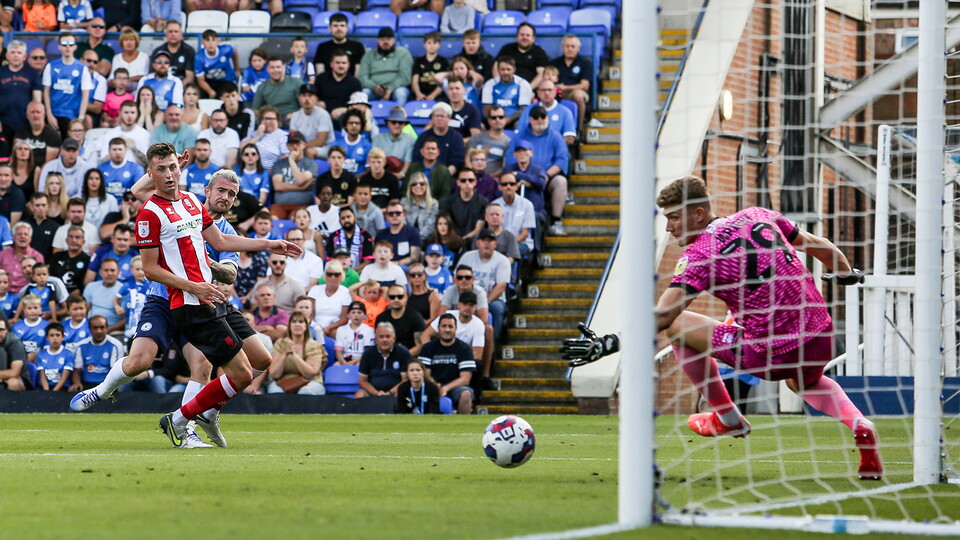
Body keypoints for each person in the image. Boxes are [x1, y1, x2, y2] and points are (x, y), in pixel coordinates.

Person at [560, 175, 883, 481]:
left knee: (678, 327)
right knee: (805, 384)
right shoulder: (759, 214)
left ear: (699, 214)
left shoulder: (700, 254)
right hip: (820, 335)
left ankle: (728, 418)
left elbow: (662, 316)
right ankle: (859, 423)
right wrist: (845, 273)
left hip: (771, 353)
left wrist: (611, 343)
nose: (669, 228)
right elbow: (818, 244)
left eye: (674, 217)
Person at [506, 112, 569, 236]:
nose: (539, 120)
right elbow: (510, 158)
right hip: (519, 177)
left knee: (561, 181)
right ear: (530, 119)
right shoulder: (520, 135)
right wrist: (522, 175)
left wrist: (546, 176)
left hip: (546, 176)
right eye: (536, 117)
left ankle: (556, 222)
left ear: (547, 118)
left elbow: (562, 160)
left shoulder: (555, 136)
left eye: (543, 117)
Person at [458, 229, 510, 340]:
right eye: (483, 240)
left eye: (490, 241)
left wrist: (483, 303)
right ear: (477, 243)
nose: (487, 243)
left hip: (492, 299)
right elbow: (456, 279)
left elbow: (501, 286)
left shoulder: (503, 260)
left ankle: (493, 343)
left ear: (495, 244)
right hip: (467, 297)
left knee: (497, 308)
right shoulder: (467, 257)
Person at [418, 312, 475, 414]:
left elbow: (466, 379)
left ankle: (462, 425)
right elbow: (424, 374)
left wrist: (445, 388)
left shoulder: (464, 348)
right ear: (438, 328)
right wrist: (436, 387)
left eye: (450, 326)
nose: (447, 330)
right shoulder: (428, 348)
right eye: (444, 326)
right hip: (432, 386)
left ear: (455, 329)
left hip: (455, 388)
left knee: (466, 394)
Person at [42, 33, 92, 139]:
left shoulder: (82, 68)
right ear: (59, 47)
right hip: (54, 113)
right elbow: (46, 91)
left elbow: (85, 95)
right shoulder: (51, 66)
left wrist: (80, 118)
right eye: (64, 44)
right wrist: (49, 114)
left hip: (73, 115)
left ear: (75, 46)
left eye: (70, 44)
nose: (67, 46)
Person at [266, 311, 326, 395]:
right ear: (289, 326)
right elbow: (274, 374)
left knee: (305, 392)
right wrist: (285, 353)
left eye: (301, 322)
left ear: (306, 326)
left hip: (310, 382)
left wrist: (293, 354)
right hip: (284, 382)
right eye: (294, 322)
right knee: (275, 392)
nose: (297, 324)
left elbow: (310, 374)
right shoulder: (280, 343)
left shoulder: (314, 345)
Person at [421, 289, 484, 367]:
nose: (468, 307)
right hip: (440, 355)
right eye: (465, 304)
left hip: (463, 358)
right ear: (459, 305)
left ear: (475, 307)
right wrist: (430, 353)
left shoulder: (478, 324)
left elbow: (477, 356)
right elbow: (425, 335)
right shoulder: (447, 316)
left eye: (471, 305)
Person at [0, 41, 42, 147]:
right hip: (4, 121)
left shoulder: (32, 73)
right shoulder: (1, 72)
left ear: (24, 56)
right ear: (7, 56)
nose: (15, 55)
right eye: (12, 52)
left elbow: (37, 100)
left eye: (19, 53)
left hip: (25, 121)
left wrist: (36, 119)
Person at [358, 27, 413, 106]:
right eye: (382, 39)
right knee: (364, 93)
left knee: (400, 93)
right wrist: (374, 87)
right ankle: (365, 117)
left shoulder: (403, 53)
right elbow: (362, 77)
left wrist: (390, 89)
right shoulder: (369, 55)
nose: (386, 42)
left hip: (396, 88)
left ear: (394, 40)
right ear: (377, 41)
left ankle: (400, 117)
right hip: (373, 89)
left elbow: (405, 77)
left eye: (389, 39)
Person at [269, 132, 317, 218]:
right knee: (273, 219)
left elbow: (300, 180)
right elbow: (278, 186)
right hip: (280, 206)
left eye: (297, 143)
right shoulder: (279, 164)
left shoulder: (310, 164)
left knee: (296, 219)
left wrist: (291, 161)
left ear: (303, 145)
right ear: (287, 146)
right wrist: (301, 188)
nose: (294, 146)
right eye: (291, 144)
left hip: (301, 206)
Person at [355, 321, 409, 398]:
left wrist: (389, 393)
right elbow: (362, 381)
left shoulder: (403, 352)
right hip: (373, 392)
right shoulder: (368, 353)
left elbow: (405, 380)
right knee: (359, 395)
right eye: (381, 337)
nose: (385, 340)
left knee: (402, 394)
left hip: (395, 392)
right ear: (376, 339)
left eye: (388, 336)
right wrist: (376, 393)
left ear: (393, 339)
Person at [69, 314, 124, 389]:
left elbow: (115, 373)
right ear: (89, 329)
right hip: (87, 384)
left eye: (102, 327)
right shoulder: (81, 346)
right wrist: (77, 383)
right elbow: (77, 371)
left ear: (107, 328)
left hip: (108, 385)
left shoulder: (116, 345)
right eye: (95, 328)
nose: (99, 331)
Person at [518, 80, 577, 146]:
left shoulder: (565, 111)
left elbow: (570, 138)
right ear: (538, 92)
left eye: (549, 90)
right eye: (543, 90)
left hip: (556, 149)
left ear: (555, 92)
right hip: (531, 149)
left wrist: (552, 146)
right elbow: (520, 133)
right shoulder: (528, 110)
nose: (546, 93)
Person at [413, 103, 466, 177]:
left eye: (442, 116)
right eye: (437, 116)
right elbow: (416, 159)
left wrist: (443, 176)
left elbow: (457, 162)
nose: (439, 119)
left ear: (449, 118)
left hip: (448, 176)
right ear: (432, 118)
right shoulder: (423, 137)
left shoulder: (456, 137)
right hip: (425, 176)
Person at [492, 172, 535, 260]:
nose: (508, 186)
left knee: (513, 251)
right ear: (500, 187)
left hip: (522, 243)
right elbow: (493, 230)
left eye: (512, 184)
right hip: (500, 244)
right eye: (505, 184)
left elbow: (524, 234)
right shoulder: (494, 205)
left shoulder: (527, 205)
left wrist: (509, 244)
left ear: (516, 186)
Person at [482, 56, 532, 129]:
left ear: (514, 70)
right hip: (495, 118)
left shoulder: (523, 84)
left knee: (519, 124)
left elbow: (523, 109)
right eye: (503, 69)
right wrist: (494, 120)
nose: (506, 72)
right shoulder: (490, 84)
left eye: (508, 69)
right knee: (481, 126)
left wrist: (508, 120)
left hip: (514, 119)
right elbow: (486, 108)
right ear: (498, 70)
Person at [375, 283, 425, 355]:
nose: (396, 300)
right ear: (388, 298)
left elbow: (420, 345)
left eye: (400, 297)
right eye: (392, 297)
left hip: (408, 357)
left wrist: (402, 356)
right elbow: (378, 342)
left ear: (406, 298)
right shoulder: (381, 318)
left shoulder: (415, 317)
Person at [306, 259, 351, 338]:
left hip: (335, 328)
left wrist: (328, 328)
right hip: (315, 326)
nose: (333, 277)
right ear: (325, 275)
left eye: (336, 274)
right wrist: (318, 328)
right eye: (329, 274)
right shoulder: (315, 290)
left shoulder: (346, 292)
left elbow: (344, 319)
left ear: (341, 276)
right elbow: (310, 314)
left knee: (338, 334)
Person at [440, 168, 488, 240]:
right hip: (452, 240)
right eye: (463, 180)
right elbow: (444, 224)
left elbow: (478, 229)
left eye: (470, 180)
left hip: (474, 241)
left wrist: (462, 240)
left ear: (475, 182)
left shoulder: (483, 202)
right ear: (458, 183)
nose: (467, 183)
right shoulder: (449, 201)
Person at [496, 23, 548, 89]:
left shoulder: (539, 52)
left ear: (533, 38)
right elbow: (496, 66)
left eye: (528, 35)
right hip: (506, 88)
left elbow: (541, 75)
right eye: (522, 35)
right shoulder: (507, 49)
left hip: (530, 90)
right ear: (517, 36)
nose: (524, 37)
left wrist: (527, 89)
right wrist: (499, 85)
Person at [316, 50, 362, 123]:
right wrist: (317, 102)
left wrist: (343, 110)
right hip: (322, 115)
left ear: (348, 65)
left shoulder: (355, 82)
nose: (341, 66)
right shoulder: (321, 79)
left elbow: (359, 106)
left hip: (345, 117)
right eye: (337, 63)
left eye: (344, 63)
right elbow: (312, 97)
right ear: (331, 64)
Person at [290, 84, 335, 160]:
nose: (307, 99)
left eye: (310, 95)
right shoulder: (295, 116)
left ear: (316, 99)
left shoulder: (323, 114)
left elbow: (320, 141)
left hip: (326, 148)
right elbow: (293, 137)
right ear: (299, 98)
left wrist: (302, 147)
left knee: (309, 151)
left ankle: (310, 171)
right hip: (303, 147)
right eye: (304, 95)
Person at [312, 12, 365, 76]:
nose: (339, 29)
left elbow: (358, 74)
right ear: (330, 28)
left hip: (351, 84)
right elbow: (320, 73)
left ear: (347, 28)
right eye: (335, 26)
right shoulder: (322, 47)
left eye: (342, 25)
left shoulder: (358, 47)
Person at [404, 138, 453, 203]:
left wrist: (435, 207)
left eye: (433, 149)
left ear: (438, 152)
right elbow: (405, 189)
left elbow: (445, 194)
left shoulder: (444, 171)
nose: (430, 151)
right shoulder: (413, 168)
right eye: (428, 148)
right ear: (422, 152)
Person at [251, 57, 300, 121]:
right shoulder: (262, 87)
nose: (275, 70)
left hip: (294, 119)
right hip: (272, 121)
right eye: (272, 67)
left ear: (283, 68)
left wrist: (296, 114)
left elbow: (307, 105)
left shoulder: (296, 83)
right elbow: (255, 110)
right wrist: (267, 118)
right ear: (267, 69)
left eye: (278, 67)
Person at [0, 222, 45, 292]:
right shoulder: (2, 255)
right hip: (4, 294)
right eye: (19, 234)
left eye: (26, 234)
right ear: (13, 237)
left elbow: (41, 280)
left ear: (30, 239)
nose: (22, 236)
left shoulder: (37, 257)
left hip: (27, 294)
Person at [195, 29, 239, 99]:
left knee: (227, 95)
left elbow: (235, 52)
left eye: (213, 40)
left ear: (217, 42)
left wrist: (237, 70)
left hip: (227, 80)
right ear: (203, 42)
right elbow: (201, 80)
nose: (210, 43)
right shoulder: (199, 57)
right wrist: (210, 91)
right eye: (207, 40)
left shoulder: (226, 50)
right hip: (210, 82)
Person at [14, 102, 61, 167]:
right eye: (32, 112)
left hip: (43, 171)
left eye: (38, 112)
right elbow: (15, 156)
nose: (35, 115)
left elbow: (49, 163)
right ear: (27, 115)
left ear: (44, 115)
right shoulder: (21, 131)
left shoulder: (52, 134)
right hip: (23, 170)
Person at [372, 107, 416, 177]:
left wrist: (401, 174)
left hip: (401, 175)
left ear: (404, 124)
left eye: (400, 122)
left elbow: (408, 160)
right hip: (381, 174)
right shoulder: (378, 138)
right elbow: (374, 158)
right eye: (394, 122)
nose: (397, 125)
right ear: (388, 124)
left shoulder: (410, 140)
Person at [377, 199, 422, 266]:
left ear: (404, 214)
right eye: (391, 214)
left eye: (398, 213)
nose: (394, 215)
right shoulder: (381, 235)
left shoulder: (413, 232)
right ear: (386, 216)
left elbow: (414, 258)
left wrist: (396, 264)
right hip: (385, 268)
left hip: (405, 269)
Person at [99, 138, 145, 202]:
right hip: (106, 205)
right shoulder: (101, 168)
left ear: (125, 150)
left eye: (120, 149)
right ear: (109, 151)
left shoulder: (136, 169)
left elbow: (140, 192)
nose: (117, 152)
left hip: (128, 204)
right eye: (114, 150)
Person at [151, 19, 195, 85]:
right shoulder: (158, 51)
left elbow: (189, 77)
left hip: (182, 87)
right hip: (161, 86)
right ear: (166, 34)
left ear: (181, 34)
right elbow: (153, 75)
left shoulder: (189, 51)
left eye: (176, 31)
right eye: (170, 32)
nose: (173, 34)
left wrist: (176, 89)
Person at [243, 105, 287, 170]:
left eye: (271, 119)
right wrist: (259, 135)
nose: (268, 122)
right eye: (265, 118)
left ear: (277, 120)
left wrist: (273, 171)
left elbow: (286, 156)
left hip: (270, 171)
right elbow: (241, 148)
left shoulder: (282, 135)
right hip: (250, 171)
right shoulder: (254, 134)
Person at [50, 225, 90, 295]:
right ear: (66, 240)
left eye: (77, 237)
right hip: (55, 295)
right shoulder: (57, 256)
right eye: (71, 237)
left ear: (83, 242)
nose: (73, 240)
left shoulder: (88, 260)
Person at [401, 172, 438, 244]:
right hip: (406, 239)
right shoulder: (403, 202)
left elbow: (430, 227)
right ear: (410, 187)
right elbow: (403, 223)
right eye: (414, 184)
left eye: (422, 184)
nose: (418, 186)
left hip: (426, 241)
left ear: (426, 186)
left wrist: (416, 238)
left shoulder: (433, 204)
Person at [412, 32, 449, 102]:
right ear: (424, 45)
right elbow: (415, 81)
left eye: (435, 43)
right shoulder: (419, 61)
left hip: (438, 95)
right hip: (420, 95)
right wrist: (418, 94)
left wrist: (433, 95)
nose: (432, 46)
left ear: (439, 45)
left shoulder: (443, 61)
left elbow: (444, 82)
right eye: (429, 43)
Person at [334, 300, 373, 365]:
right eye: (353, 312)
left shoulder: (369, 330)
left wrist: (354, 362)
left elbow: (368, 352)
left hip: (361, 360)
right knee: (336, 366)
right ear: (348, 315)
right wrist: (343, 362)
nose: (356, 315)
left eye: (359, 312)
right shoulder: (341, 329)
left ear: (365, 316)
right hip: (345, 360)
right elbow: (338, 351)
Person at [36, 322, 73, 390]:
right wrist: (47, 392)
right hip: (45, 388)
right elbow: (42, 376)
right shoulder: (41, 354)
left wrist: (54, 392)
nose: (55, 338)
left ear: (63, 337)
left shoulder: (68, 354)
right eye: (52, 335)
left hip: (62, 388)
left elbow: (64, 377)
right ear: (47, 338)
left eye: (58, 335)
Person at [334, 109, 372, 176]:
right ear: (345, 125)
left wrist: (353, 179)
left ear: (361, 126)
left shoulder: (367, 145)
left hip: (360, 181)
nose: (354, 125)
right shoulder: (336, 144)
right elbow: (333, 168)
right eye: (351, 123)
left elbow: (368, 170)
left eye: (357, 123)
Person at [23, 192, 58, 260]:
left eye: (43, 205)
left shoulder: (55, 227)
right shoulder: (23, 225)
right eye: (37, 205)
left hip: (46, 267)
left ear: (48, 206)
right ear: (32, 207)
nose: (41, 208)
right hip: (26, 265)